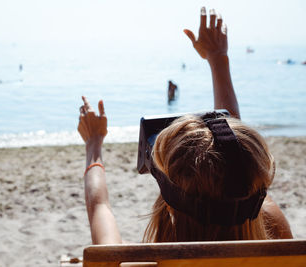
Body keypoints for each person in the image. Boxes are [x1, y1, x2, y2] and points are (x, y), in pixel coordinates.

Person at [77, 7, 292, 245]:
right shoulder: (276, 232)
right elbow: (239, 164)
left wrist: (93, 143)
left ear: (168, 199)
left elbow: (99, 206)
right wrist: (218, 58)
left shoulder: (123, 261)